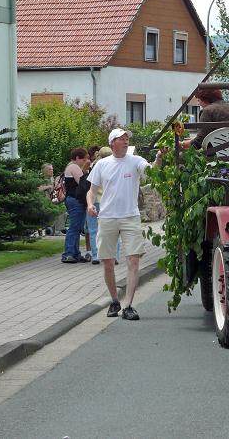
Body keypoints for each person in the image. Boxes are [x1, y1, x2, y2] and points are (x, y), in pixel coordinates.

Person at [87, 128, 164, 320]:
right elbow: (92, 189)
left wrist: (159, 157)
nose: (126, 141)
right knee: (108, 263)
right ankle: (114, 300)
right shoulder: (102, 164)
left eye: (127, 138)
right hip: (107, 217)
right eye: (122, 138)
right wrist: (90, 204)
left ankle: (128, 305)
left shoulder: (136, 161)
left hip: (130, 217)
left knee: (133, 260)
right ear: (113, 142)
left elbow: (152, 173)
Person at [61, 148, 90, 263]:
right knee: (74, 227)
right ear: (77, 158)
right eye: (84, 159)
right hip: (75, 200)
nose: (85, 161)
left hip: (74, 200)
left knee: (77, 227)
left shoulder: (72, 166)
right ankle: (68, 254)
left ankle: (75, 253)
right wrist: (86, 170)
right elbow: (83, 183)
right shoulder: (74, 167)